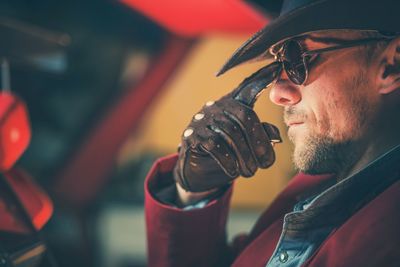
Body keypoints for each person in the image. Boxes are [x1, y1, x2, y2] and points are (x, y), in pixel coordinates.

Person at [144, 0, 400, 266]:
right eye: (280, 62)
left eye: (298, 58)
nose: (277, 94)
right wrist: (195, 192)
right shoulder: (308, 194)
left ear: (392, 64)